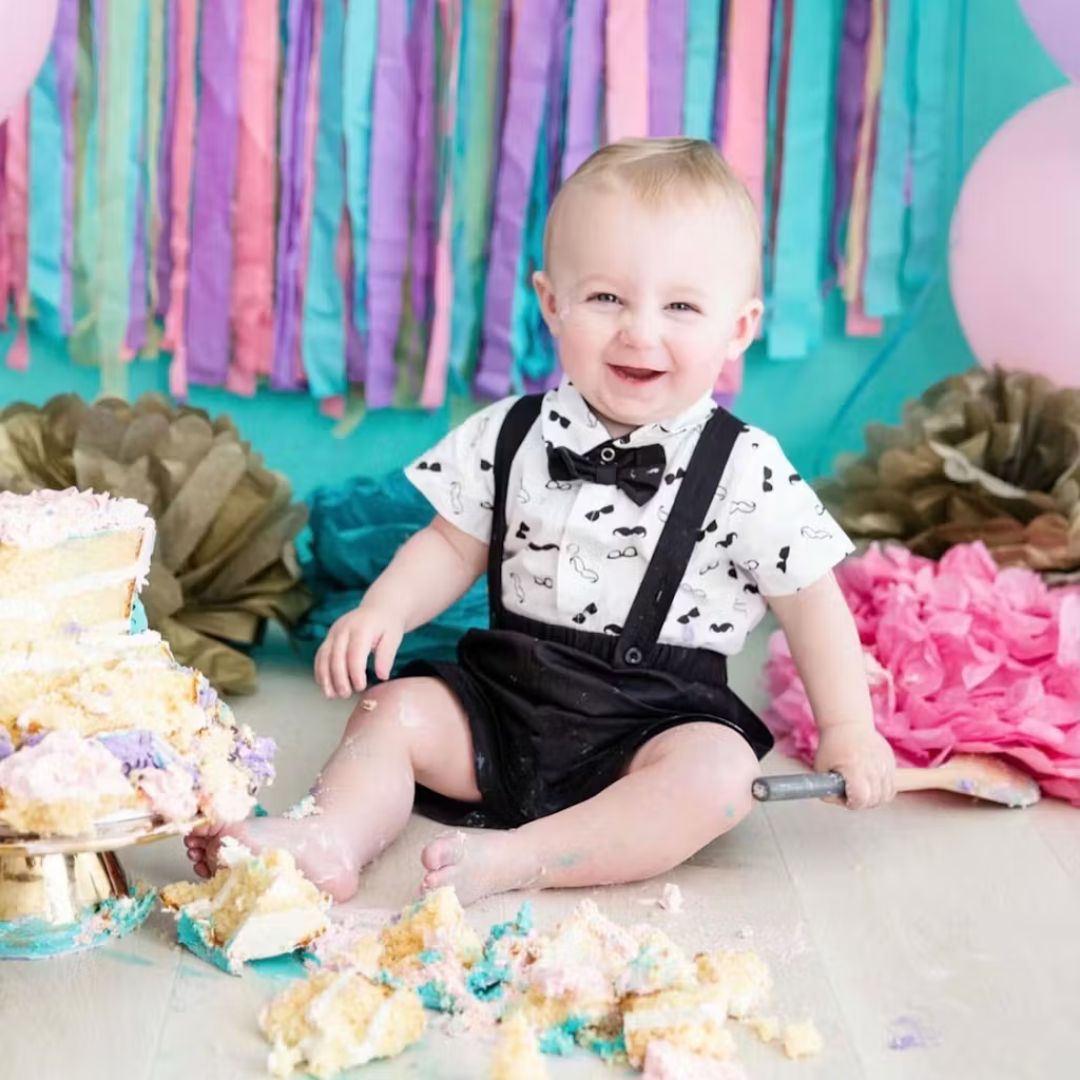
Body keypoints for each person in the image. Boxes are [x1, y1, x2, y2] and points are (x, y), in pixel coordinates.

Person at [186, 137, 897, 904]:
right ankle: (331, 835)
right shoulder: (512, 433)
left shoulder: (748, 468)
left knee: (720, 776)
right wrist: (384, 608)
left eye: (682, 306)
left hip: (654, 723)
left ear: (739, 327)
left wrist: (848, 729)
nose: (640, 331)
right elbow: (451, 543)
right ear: (552, 302)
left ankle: (525, 856)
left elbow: (811, 602)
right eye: (606, 298)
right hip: (507, 700)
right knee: (391, 711)